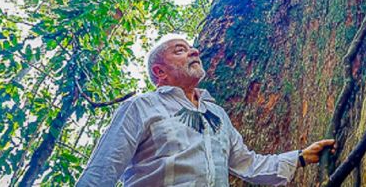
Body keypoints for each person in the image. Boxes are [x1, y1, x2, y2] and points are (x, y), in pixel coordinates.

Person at [77, 34, 335, 186]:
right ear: (160, 73)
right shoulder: (140, 107)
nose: (194, 51)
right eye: (180, 50)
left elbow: (247, 164)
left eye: (191, 48)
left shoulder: (217, 115)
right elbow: (102, 170)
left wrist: (300, 157)